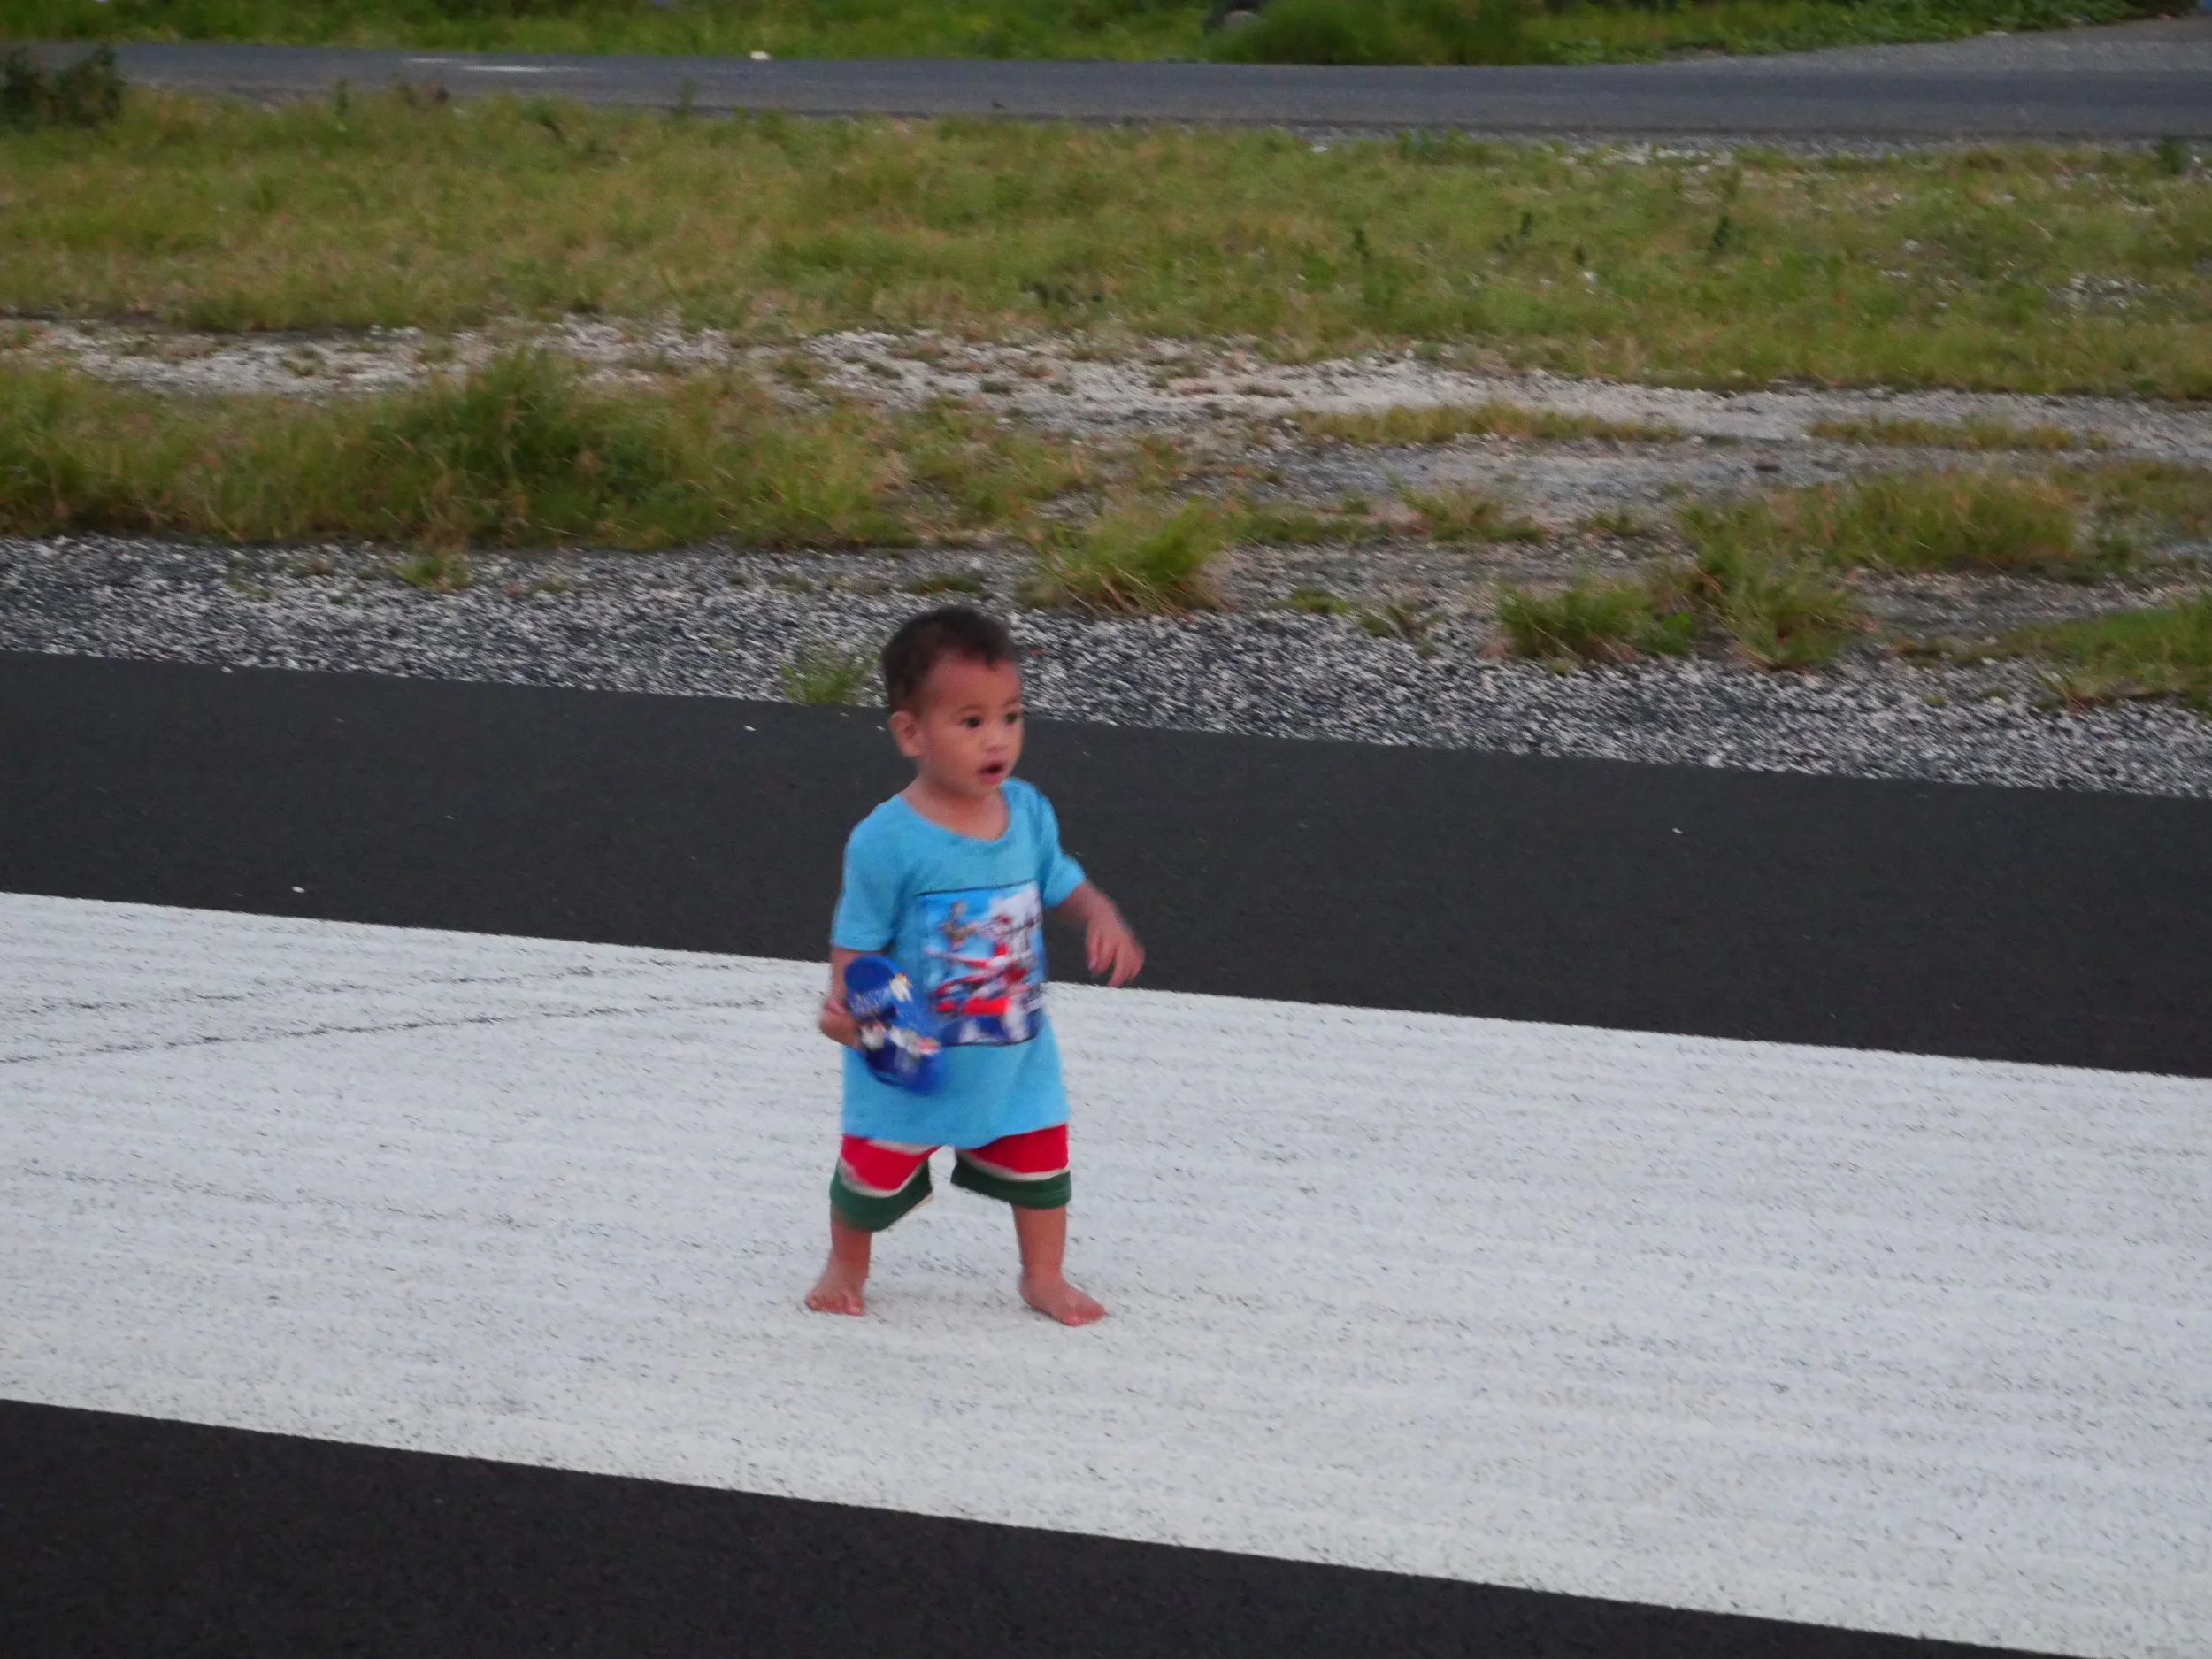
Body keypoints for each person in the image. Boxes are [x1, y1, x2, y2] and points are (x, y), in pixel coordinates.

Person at [807, 606, 1143, 1325]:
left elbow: (1059, 877)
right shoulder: (886, 839)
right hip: (913, 1054)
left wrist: (1100, 912)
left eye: (1011, 715)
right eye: (970, 721)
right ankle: (845, 1264)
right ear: (910, 732)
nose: (998, 738)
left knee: (1043, 1171)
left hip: (1014, 1055)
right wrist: (848, 1002)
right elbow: (857, 940)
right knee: (867, 1176)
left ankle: (1043, 1277)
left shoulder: (1026, 810)